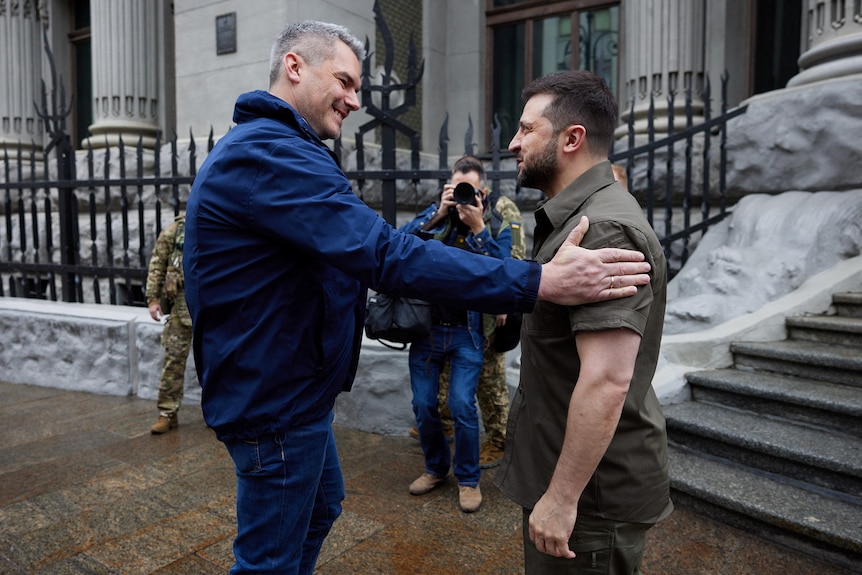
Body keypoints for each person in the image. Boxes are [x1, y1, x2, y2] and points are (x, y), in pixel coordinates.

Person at [183, 21, 652, 575]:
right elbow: (381, 255)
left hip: (289, 390)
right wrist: (538, 281)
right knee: (268, 560)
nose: (356, 100)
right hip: (274, 400)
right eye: (345, 81)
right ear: (293, 66)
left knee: (319, 510)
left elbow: (367, 248)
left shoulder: (283, 150)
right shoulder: (270, 154)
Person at [494, 70, 672, 574]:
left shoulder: (605, 228)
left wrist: (562, 497)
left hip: (590, 500)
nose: (513, 142)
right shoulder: (579, 218)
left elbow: (608, 380)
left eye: (527, 129)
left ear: (572, 138)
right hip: (574, 479)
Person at [399, 154, 521, 512]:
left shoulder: (493, 223)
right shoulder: (435, 215)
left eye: (470, 189)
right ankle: (436, 468)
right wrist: (438, 213)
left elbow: (502, 271)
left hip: (467, 333)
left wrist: (479, 228)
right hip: (427, 330)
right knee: (424, 406)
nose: (463, 195)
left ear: (482, 190)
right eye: (456, 188)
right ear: (448, 187)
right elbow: (397, 247)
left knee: (461, 406)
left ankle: (468, 480)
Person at [144, 212, 193, 434]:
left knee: (219, 363)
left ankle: (223, 414)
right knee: (173, 361)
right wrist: (153, 299)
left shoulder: (218, 224)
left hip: (213, 310)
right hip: (181, 309)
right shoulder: (176, 230)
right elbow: (158, 263)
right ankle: (167, 413)